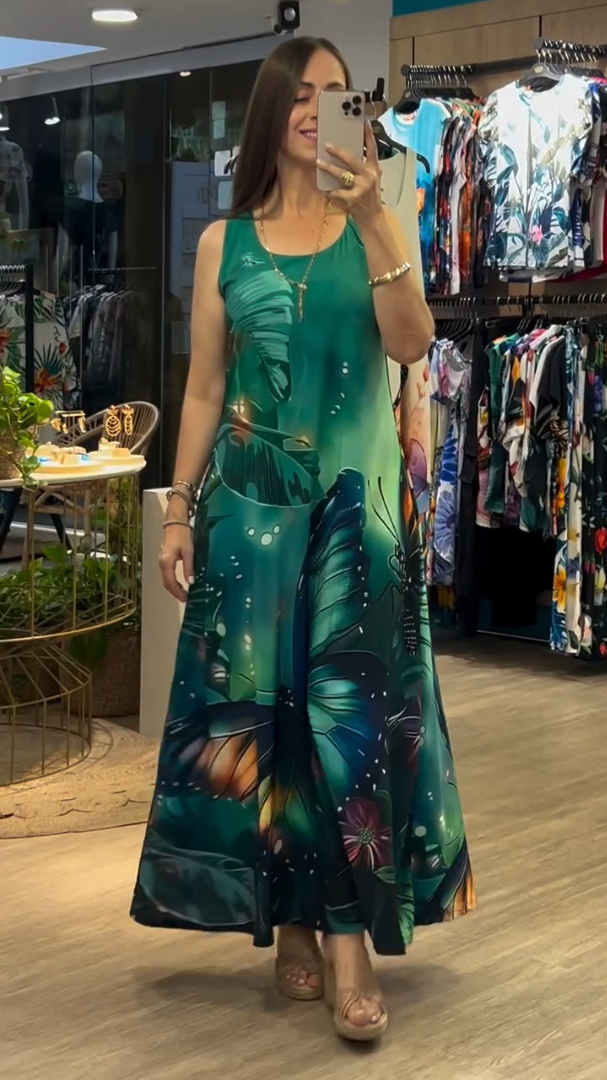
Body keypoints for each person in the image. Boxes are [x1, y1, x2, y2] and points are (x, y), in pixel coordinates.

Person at [131, 37, 476, 1043]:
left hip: (355, 525)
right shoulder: (222, 245)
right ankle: (287, 917)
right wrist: (178, 509)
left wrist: (372, 216)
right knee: (266, 729)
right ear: (271, 109)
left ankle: (346, 939)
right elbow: (206, 387)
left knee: (344, 733)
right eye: (303, 91)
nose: (319, 107)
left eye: (337, 94)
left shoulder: (379, 223)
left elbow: (411, 343)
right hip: (247, 523)